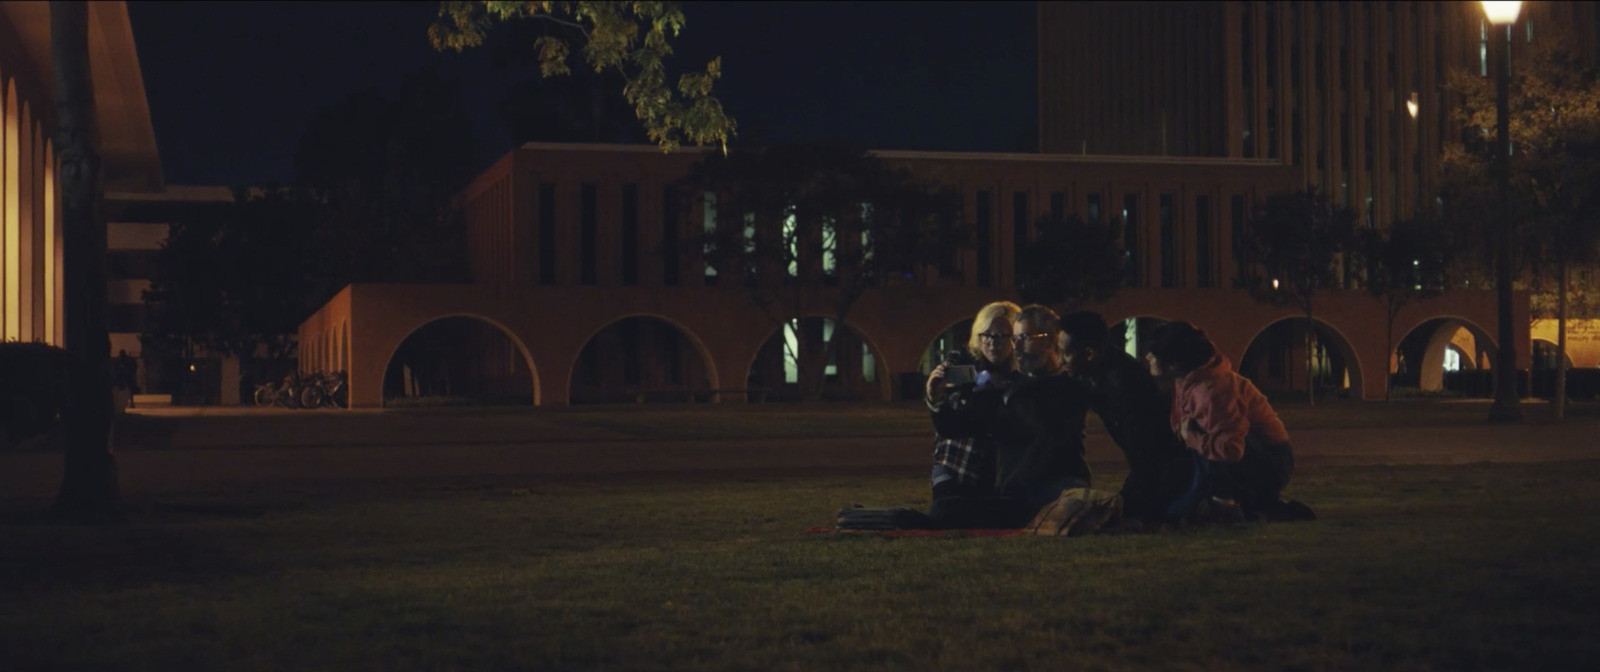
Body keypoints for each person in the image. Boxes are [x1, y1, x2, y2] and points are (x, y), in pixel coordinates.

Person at [923, 304, 1095, 528]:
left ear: (1051, 341)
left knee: (1072, 501)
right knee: (944, 510)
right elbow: (960, 425)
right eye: (1015, 339)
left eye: (1024, 337)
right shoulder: (1010, 387)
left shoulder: (1067, 385)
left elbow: (1048, 431)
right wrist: (937, 399)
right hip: (1016, 495)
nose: (1017, 348)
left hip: (1054, 486)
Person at [1144, 322, 1315, 522]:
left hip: (1270, 462)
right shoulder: (1188, 381)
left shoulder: (1212, 391)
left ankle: (1227, 503)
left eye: (1153, 354)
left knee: (1197, 429)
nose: (1147, 357)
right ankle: (1255, 505)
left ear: (1173, 363)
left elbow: (1231, 450)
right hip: (1254, 457)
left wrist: (1189, 436)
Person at [1057, 312, 1202, 525]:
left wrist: (1133, 500)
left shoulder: (1125, 384)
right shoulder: (1093, 373)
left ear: (1088, 353)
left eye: (1065, 354)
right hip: (1154, 467)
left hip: (1170, 471)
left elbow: (1147, 452)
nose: (1060, 360)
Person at [924, 301, 1021, 500]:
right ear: (978, 336)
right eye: (988, 335)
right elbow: (948, 427)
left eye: (1004, 336)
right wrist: (936, 397)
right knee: (946, 517)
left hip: (1001, 472)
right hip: (957, 466)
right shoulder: (961, 364)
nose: (995, 343)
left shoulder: (1021, 375)